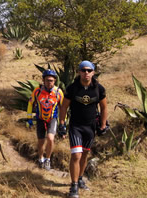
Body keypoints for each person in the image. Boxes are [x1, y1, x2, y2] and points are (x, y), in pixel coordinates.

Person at [58, 61, 108, 198]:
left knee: (85, 154)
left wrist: (103, 125)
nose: (86, 73)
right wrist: (62, 123)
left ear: (93, 72)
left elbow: (104, 107)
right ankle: (73, 187)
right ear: (79, 72)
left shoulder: (99, 89)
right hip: (76, 126)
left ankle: (80, 179)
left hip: (91, 127)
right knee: (76, 155)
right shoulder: (72, 88)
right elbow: (64, 107)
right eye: (83, 70)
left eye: (89, 70)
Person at [26, 69, 64, 170]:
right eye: (47, 80)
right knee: (41, 141)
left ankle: (48, 159)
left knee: (51, 138)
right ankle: (40, 159)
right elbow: (30, 103)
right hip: (40, 119)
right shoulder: (37, 91)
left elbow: (62, 108)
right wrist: (29, 118)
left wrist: (62, 123)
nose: (49, 82)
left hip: (52, 118)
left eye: (51, 80)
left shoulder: (58, 92)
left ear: (55, 81)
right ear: (43, 80)